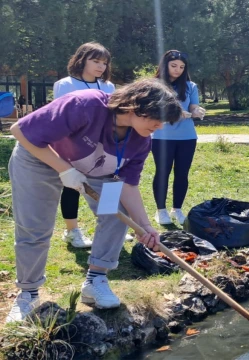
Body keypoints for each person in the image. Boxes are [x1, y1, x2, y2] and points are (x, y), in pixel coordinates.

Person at [6, 78, 183, 323]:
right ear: (136, 105)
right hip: (39, 157)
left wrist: (146, 226)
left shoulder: (141, 140)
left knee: (116, 213)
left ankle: (95, 279)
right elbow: (20, 131)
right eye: (157, 117)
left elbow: (128, 185)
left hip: (96, 169)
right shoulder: (85, 104)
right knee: (34, 227)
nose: (160, 126)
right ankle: (28, 293)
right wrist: (64, 169)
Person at [52, 42, 118, 248]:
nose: (101, 67)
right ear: (82, 60)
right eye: (96, 61)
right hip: (73, 145)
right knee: (72, 186)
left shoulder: (109, 87)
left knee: (111, 184)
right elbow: (62, 117)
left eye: (104, 63)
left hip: (103, 145)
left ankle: (110, 228)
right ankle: (72, 231)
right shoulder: (65, 84)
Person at [151, 50, 206, 225]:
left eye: (182, 67)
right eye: (174, 66)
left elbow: (193, 105)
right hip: (161, 136)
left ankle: (177, 209)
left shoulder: (190, 86)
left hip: (187, 136)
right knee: (162, 172)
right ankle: (161, 210)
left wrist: (197, 111)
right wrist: (175, 112)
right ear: (165, 65)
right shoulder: (154, 85)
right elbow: (151, 109)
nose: (178, 70)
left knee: (182, 173)